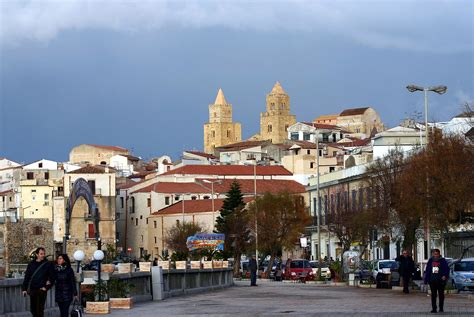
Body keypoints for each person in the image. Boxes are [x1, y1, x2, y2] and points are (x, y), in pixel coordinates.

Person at [21, 247, 54, 317]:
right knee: (33, 310)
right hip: (32, 290)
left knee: (40, 310)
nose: (43, 255)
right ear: (37, 254)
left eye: (44, 254)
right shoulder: (31, 264)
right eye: (41, 254)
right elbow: (27, 277)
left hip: (41, 290)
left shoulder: (48, 264)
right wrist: (24, 289)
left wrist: (46, 287)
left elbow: (52, 278)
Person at [424, 249, 449, 313]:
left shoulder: (443, 261)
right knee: (433, 295)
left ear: (439, 254)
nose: (436, 255)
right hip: (432, 280)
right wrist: (426, 279)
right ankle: (434, 308)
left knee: (441, 295)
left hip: (440, 281)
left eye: (437, 254)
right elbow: (427, 270)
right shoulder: (430, 260)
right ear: (433, 254)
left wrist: (445, 275)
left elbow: (446, 269)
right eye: (435, 254)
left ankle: (441, 308)